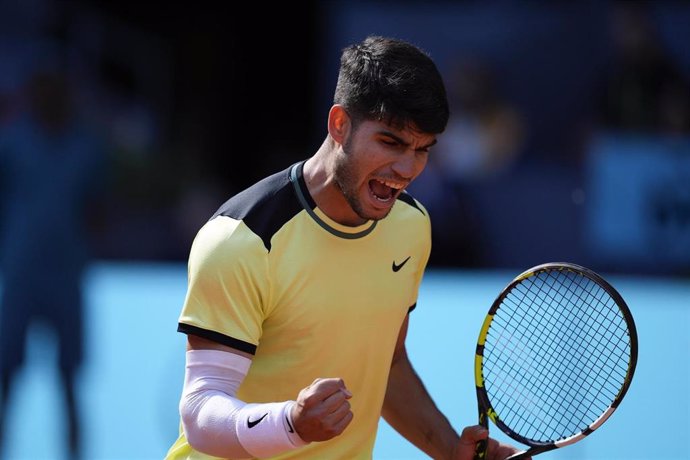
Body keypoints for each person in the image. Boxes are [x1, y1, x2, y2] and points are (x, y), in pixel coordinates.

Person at [165, 36, 525, 460]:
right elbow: (200, 410)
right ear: (339, 125)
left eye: (422, 150)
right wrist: (290, 425)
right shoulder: (240, 240)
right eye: (390, 142)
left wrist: (451, 449)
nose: (407, 169)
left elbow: (386, 366)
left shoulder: (411, 225)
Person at [0, 66, 105, 460]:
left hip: (66, 276)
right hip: (22, 272)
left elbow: (99, 207)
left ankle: (74, 454)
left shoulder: (87, 147)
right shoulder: (12, 143)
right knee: (6, 373)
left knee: (69, 377)